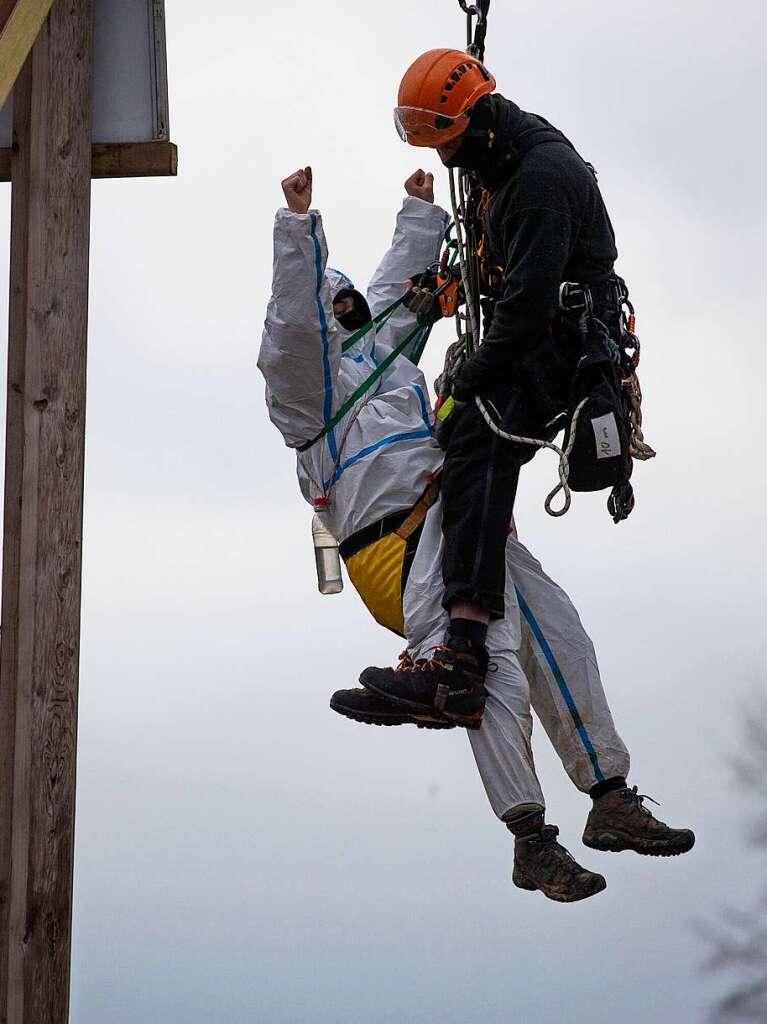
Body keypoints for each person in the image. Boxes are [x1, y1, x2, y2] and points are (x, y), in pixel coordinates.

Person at [258, 164, 694, 904]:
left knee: (560, 634)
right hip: (395, 550)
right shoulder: (305, 400)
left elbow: (399, 294)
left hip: (458, 518)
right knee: (487, 664)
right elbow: (290, 329)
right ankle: (530, 839)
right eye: (333, 302)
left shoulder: (381, 365)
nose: (347, 307)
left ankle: (609, 794)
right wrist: (298, 228)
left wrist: (418, 216)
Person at [361, 47, 640, 735]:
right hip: (537, 324)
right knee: (461, 436)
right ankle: (455, 643)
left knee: (476, 439)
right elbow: (499, 267)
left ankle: (460, 652)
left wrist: (472, 374)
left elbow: (523, 308)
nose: (445, 156)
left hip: (565, 339)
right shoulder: (494, 159)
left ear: (473, 118)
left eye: (445, 138)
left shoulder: (538, 178)